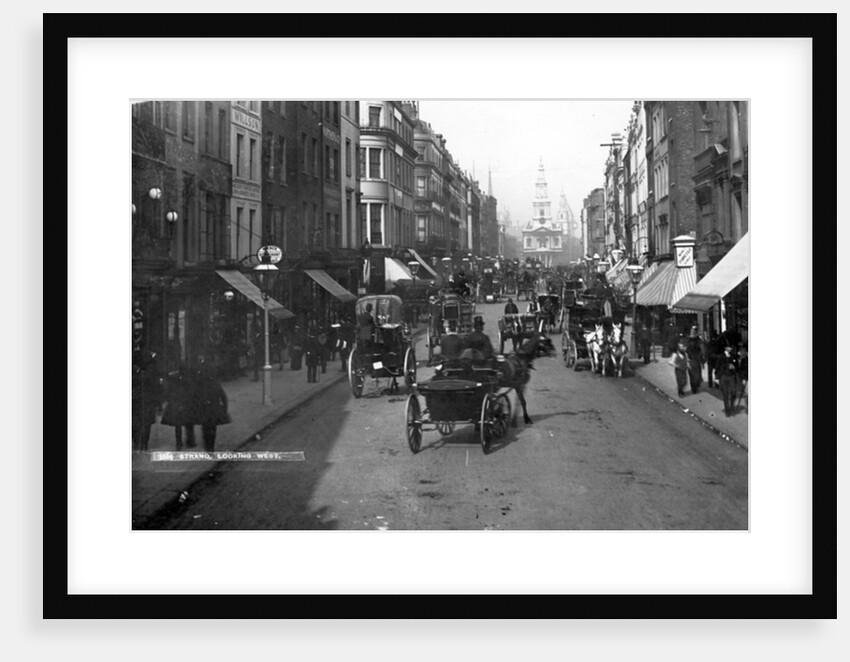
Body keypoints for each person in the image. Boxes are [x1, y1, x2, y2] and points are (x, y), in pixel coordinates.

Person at [160, 362, 197, 450]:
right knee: (189, 423)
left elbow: (168, 390)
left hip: (175, 403)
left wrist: (169, 399)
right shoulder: (188, 378)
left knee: (178, 425)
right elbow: (192, 390)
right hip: (186, 403)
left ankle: (179, 443)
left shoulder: (173, 378)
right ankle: (190, 441)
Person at [194, 359, 229, 452]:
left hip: (205, 409)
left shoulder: (201, 385)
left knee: (205, 428)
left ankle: (207, 446)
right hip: (214, 409)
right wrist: (225, 409)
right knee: (212, 429)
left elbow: (197, 397)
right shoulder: (215, 384)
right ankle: (211, 447)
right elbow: (223, 397)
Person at [132, 349, 162, 452]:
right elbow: (156, 388)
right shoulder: (151, 374)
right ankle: (143, 444)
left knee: (138, 423)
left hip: (139, 401)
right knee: (144, 424)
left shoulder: (137, 374)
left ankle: (138, 443)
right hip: (146, 401)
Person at [685, 324, 704, 394]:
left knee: (693, 375)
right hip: (693, 360)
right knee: (695, 375)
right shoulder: (696, 342)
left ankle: (694, 387)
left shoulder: (692, 343)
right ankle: (694, 387)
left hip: (694, 360)